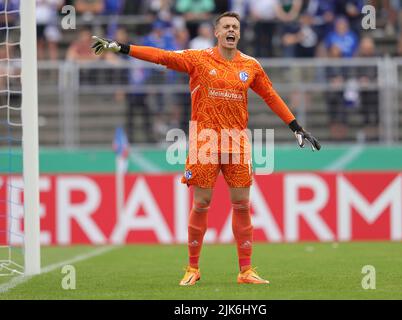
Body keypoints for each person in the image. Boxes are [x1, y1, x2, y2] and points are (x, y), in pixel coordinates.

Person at [91, 11, 321, 286]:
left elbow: (270, 95)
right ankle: (192, 268)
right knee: (201, 203)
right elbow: (162, 56)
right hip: (205, 142)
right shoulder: (198, 59)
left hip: (236, 143)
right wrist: (123, 47)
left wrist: (295, 126)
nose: (231, 30)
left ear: (239, 32)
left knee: (242, 204)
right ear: (216, 32)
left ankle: (246, 271)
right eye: (226, 26)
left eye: (235, 26)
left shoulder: (251, 65)